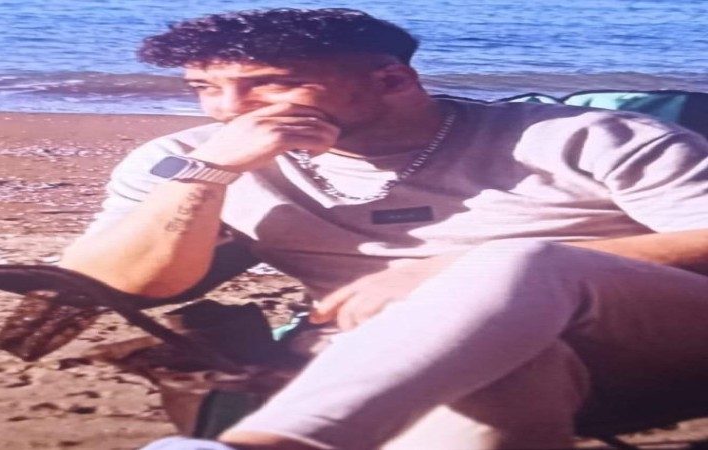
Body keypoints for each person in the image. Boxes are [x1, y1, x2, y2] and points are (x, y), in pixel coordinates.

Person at [59, 8, 708, 450]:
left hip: (656, 343)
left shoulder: (584, 139)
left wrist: (450, 273)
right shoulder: (193, 157)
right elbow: (116, 283)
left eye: (271, 85)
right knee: (498, 378)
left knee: (520, 260)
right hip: (412, 363)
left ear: (393, 80)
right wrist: (208, 174)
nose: (230, 110)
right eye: (205, 88)